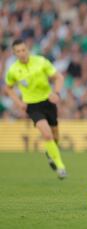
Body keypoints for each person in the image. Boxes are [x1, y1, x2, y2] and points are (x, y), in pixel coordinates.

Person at [4, 39, 67, 179]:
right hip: (32, 106)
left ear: (28, 49)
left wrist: (56, 93)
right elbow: (8, 88)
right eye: (18, 51)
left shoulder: (41, 61)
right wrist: (18, 102)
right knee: (47, 135)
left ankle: (49, 153)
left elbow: (59, 77)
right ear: (14, 53)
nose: (21, 53)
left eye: (23, 50)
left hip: (48, 101)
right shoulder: (13, 70)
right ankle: (60, 167)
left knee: (55, 136)